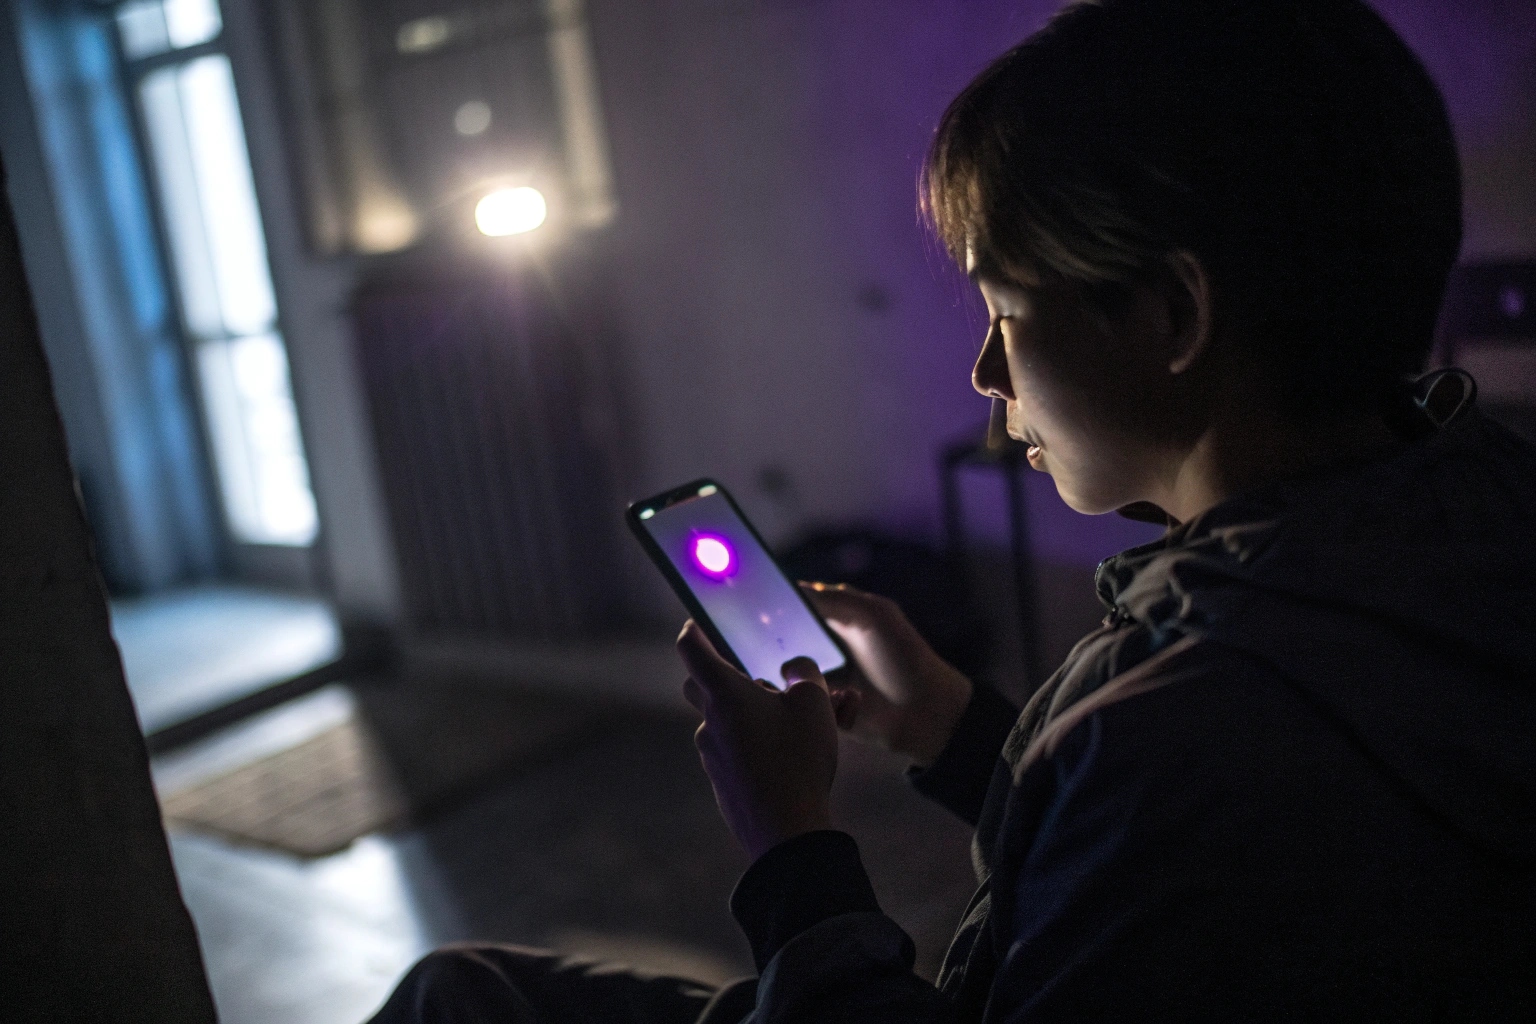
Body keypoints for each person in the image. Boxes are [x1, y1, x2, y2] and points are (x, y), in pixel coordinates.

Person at [369, 0, 1536, 1020]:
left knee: (458, 1002)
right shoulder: (1473, 520)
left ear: (1173, 314)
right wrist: (957, 729)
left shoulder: (1183, 726)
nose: (985, 372)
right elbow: (1148, 883)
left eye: (1005, 311)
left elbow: (1159, 812)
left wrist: (791, 837)